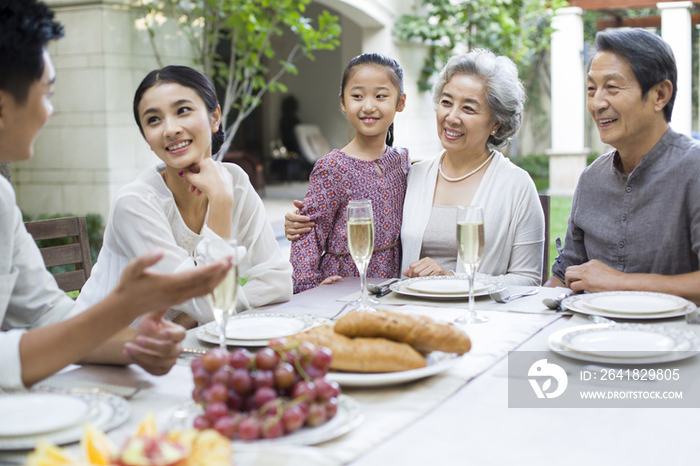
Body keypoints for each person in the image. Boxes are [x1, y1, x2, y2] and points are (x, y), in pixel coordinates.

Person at [0, 0, 231, 390]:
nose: (51, 111)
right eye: (48, 93)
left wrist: (134, 345)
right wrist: (124, 307)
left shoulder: (2, 197)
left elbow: (48, 315)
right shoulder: (135, 200)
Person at [287, 49, 544, 286]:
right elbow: (365, 212)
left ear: (496, 122)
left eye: (468, 108)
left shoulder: (516, 186)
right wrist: (302, 225)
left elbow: (528, 279)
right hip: (399, 309)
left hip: (479, 319)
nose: (451, 117)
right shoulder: (415, 174)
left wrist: (452, 280)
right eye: (446, 102)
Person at [76, 66, 293, 327]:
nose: (170, 129)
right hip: (105, 352)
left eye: (182, 110)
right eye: (153, 120)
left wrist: (189, 318)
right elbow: (210, 304)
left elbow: (278, 281)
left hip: (177, 345)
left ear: (215, 118)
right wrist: (221, 205)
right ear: (147, 137)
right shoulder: (135, 203)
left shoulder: (235, 182)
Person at [546, 28, 700, 303]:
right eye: (591, 89)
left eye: (612, 87)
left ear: (660, 95)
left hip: (678, 341)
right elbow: (562, 276)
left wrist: (621, 283)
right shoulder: (591, 178)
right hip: (591, 338)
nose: (597, 103)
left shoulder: (694, 168)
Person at [290, 53, 409, 293]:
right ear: (343, 103)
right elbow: (308, 233)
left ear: (400, 102)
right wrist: (309, 285)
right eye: (357, 96)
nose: (368, 106)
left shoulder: (401, 161)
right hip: (342, 283)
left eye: (380, 96)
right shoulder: (332, 167)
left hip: (392, 283)